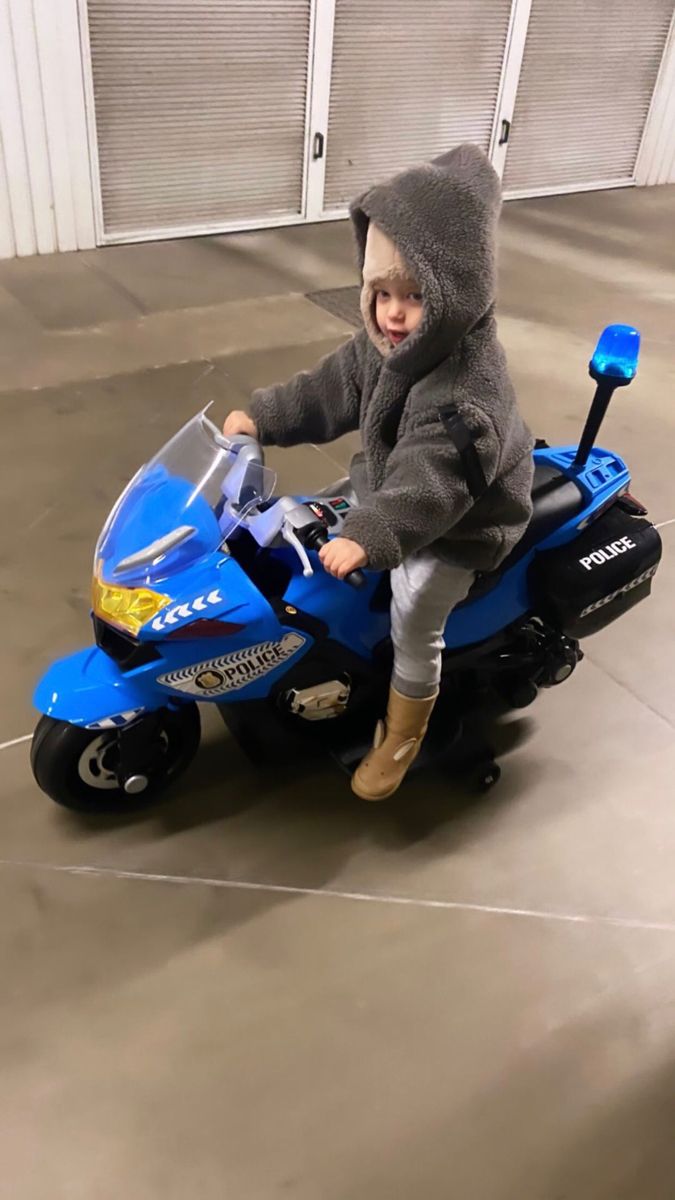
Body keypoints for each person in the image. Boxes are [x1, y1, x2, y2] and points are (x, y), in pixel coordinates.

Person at [223, 143, 534, 801]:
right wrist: (264, 418)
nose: (391, 314)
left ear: (459, 290)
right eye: (380, 292)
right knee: (305, 524)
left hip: (459, 525)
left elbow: (433, 482)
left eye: (415, 296)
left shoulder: (463, 395)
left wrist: (369, 534)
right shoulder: (388, 343)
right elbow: (331, 387)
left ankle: (400, 735)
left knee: (415, 614)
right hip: (390, 485)